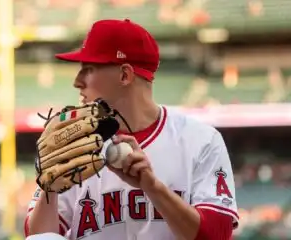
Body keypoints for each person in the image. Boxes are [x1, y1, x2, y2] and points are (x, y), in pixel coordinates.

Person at [25, 19, 238, 240]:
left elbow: (216, 235)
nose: (77, 82)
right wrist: (49, 189)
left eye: (88, 69)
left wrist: (153, 187)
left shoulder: (200, 141)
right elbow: (39, 237)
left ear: (125, 75)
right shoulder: (75, 145)